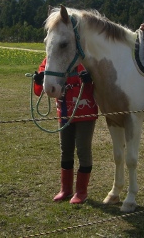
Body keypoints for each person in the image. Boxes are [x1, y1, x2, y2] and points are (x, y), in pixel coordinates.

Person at [33, 58, 98, 203]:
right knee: (66, 149)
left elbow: (102, 80)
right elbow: (41, 88)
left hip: (85, 112)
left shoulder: (88, 58)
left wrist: (91, 79)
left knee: (83, 149)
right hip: (64, 111)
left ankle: (81, 192)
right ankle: (66, 189)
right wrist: (38, 80)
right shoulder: (52, 58)